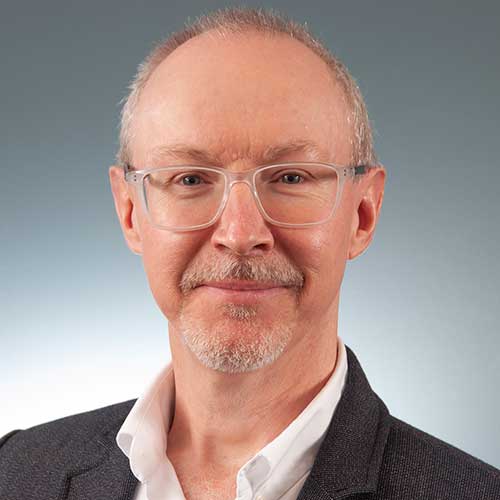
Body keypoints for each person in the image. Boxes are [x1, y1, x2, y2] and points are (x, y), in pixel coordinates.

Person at [1, 6, 499, 500]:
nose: (240, 233)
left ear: (362, 214)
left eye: (290, 177)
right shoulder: (15, 473)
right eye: (190, 179)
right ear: (131, 212)